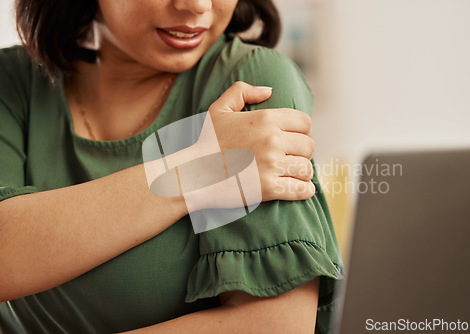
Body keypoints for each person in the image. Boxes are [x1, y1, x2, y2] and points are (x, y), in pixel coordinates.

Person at [0, 0, 343, 332]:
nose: (196, 6)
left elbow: (272, 326)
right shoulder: (12, 82)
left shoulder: (249, 82)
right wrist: (195, 171)